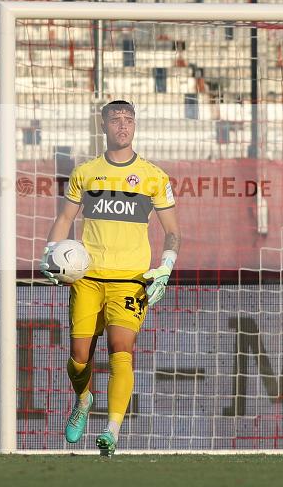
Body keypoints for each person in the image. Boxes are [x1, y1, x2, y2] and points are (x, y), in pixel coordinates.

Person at [39, 100, 180, 456]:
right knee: (79, 358)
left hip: (131, 280)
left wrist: (166, 264)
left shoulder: (154, 176)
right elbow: (64, 218)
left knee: (122, 350)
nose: (122, 125)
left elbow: (173, 232)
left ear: (135, 125)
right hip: (86, 279)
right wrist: (50, 251)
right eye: (115, 119)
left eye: (128, 119)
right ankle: (83, 399)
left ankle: (112, 431)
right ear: (103, 126)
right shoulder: (85, 173)